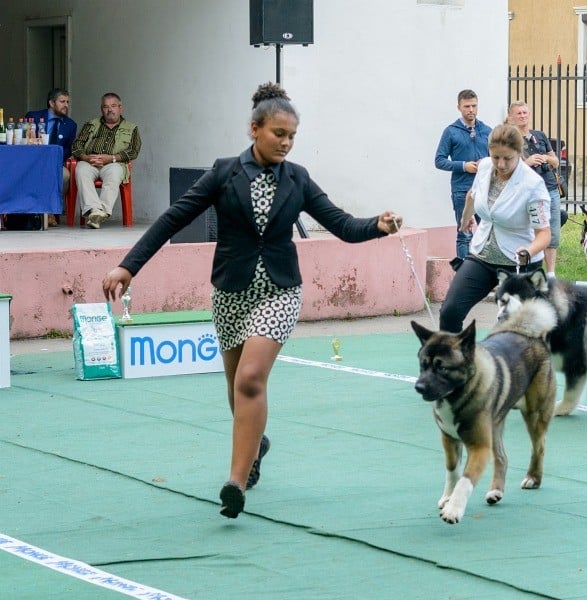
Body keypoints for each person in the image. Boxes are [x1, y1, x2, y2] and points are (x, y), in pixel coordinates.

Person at [100, 83, 403, 519]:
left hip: (280, 290)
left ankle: (235, 483)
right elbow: (172, 219)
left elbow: (342, 225)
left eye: (292, 136)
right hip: (230, 292)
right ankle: (256, 443)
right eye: (278, 133)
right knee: (235, 388)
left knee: (250, 379)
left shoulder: (297, 178)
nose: (285, 142)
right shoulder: (224, 173)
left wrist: (378, 224)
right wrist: (129, 266)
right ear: (254, 129)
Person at [438, 123, 551, 333]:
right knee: (449, 312)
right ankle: (453, 362)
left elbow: (544, 234)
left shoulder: (532, 185)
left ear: (519, 153)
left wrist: (529, 250)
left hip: (518, 265)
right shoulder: (484, 167)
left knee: (510, 331)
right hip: (483, 256)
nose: (500, 163)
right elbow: (473, 193)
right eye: (496, 156)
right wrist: (466, 218)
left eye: (507, 158)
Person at [506, 100, 561, 278]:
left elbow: (556, 161)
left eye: (525, 112)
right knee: (531, 233)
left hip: (550, 188)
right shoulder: (510, 140)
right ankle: (528, 271)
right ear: (511, 117)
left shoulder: (540, 135)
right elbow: (507, 167)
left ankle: (551, 274)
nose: (522, 116)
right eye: (518, 113)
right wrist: (527, 163)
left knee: (552, 232)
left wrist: (545, 158)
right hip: (528, 193)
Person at [70, 92, 142, 229]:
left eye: (113, 106)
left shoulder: (131, 128)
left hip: (113, 163)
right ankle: (94, 211)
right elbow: (76, 146)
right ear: (101, 109)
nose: (110, 110)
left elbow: (133, 151)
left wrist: (111, 158)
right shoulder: (91, 124)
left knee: (114, 174)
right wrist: (86, 158)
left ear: (120, 108)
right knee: (80, 170)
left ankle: (100, 212)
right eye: (106, 107)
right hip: (90, 161)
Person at [435, 89, 492, 260]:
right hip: (461, 189)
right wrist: (463, 166)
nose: (471, 110)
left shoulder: (487, 130)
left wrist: (487, 162)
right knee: (464, 234)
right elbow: (439, 160)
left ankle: (486, 272)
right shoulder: (451, 131)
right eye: (467, 106)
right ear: (459, 107)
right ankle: (463, 275)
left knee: (487, 232)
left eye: (474, 106)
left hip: (484, 188)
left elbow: (497, 158)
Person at [24, 88, 78, 226]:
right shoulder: (33, 117)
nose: (66, 105)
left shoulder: (71, 125)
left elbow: (68, 149)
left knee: (65, 176)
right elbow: (24, 139)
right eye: (62, 102)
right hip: (33, 163)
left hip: (55, 164)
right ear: (52, 103)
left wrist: (54, 158)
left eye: (67, 102)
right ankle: (34, 212)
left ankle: (50, 210)